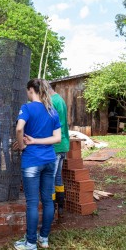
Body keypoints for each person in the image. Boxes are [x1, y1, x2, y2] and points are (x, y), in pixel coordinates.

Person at [12, 79, 61, 250]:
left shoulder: (27, 108)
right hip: (49, 160)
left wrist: (24, 145)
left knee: (32, 202)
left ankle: (31, 243)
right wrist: (38, 141)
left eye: (27, 90)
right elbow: (57, 138)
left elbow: (19, 129)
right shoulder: (52, 110)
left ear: (31, 90)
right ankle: (44, 238)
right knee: (48, 200)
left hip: (32, 161)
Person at [44, 81, 70, 219]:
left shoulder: (51, 101)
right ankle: (60, 207)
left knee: (51, 177)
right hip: (63, 143)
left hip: (55, 145)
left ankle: (52, 208)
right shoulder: (59, 99)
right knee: (58, 176)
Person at [0, 95, 12, 173]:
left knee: (5, 149)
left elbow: (10, 118)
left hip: (5, 131)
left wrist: (11, 130)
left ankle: (8, 169)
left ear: (3, 101)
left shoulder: (7, 108)